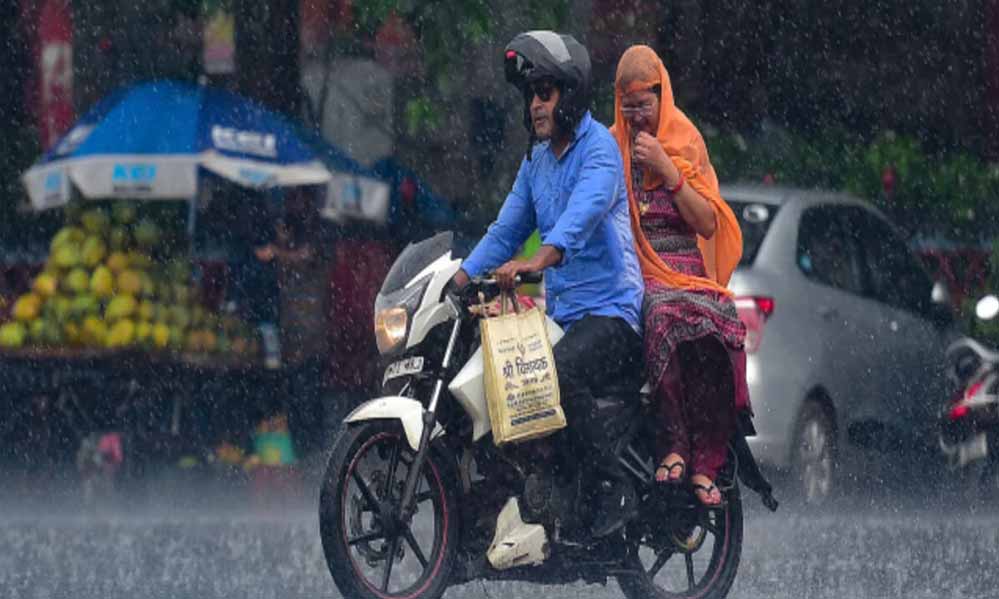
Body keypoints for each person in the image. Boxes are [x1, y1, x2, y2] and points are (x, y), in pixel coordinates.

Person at [451, 31, 644, 538]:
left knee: (553, 372)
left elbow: (580, 218)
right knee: (503, 378)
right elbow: (505, 230)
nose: (535, 104)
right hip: (564, 317)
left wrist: (535, 261)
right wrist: (458, 278)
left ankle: (613, 485)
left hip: (613, 314)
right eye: (530, 95)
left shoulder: (600, 150)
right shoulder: (536, 160)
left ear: (570, 95)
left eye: (545, 92)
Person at [610, 45, 750, 506]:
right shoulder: (610, 147)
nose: (637, 118)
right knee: (660, 312)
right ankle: (673, 444)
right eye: (628, 107)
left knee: (720, 321)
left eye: (644, 106)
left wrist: (667, 170)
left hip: (686, 266)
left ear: (662, 96)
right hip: (638, 271)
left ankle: (707, 461)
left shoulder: (685, 140)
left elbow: (707, 223)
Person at [256, 186, 331, 457]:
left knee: (308, 398)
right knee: (296, 399)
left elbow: (307, 256)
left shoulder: (317, 233)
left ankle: (313, 452)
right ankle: (304, 452)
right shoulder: (290, 233)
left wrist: (278, 251)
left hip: (310, 335)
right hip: (291, 335)